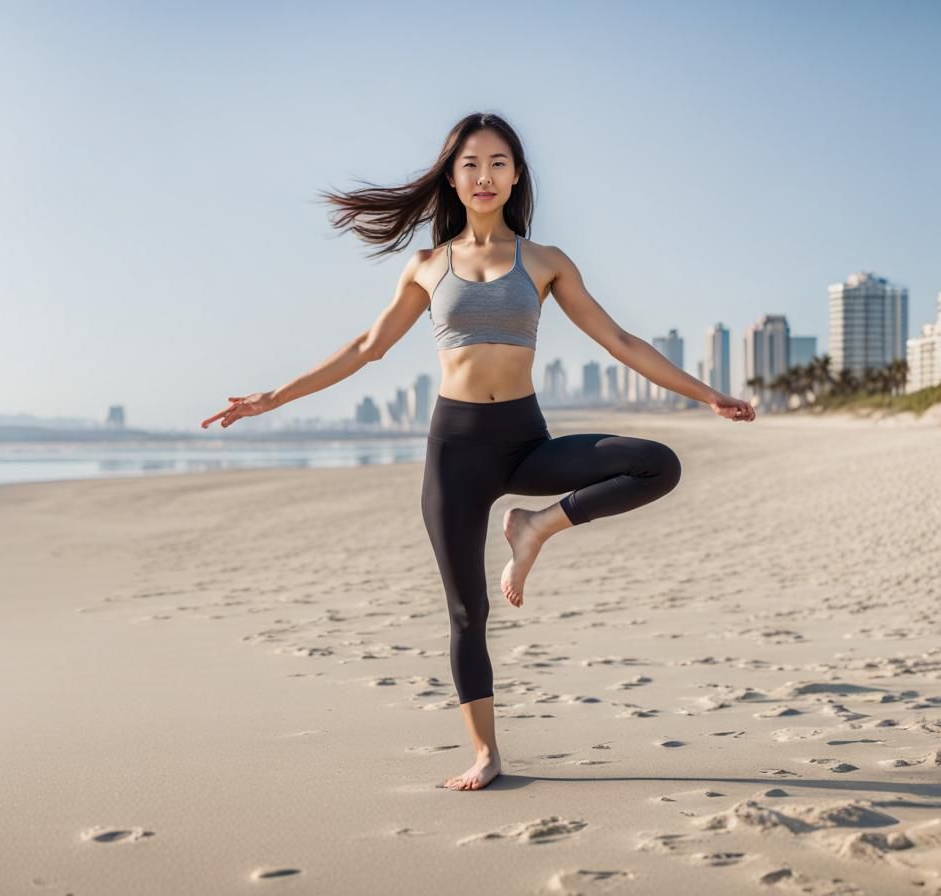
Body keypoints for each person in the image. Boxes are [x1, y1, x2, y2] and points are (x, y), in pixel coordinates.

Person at [200, 112, 755, 793]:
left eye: (498, 163)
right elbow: (366, 348)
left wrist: (705, 395)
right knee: (468, 613)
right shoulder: (428, 266)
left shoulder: (547, 262)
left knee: (656, 463)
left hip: (526, 443)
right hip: (455, 454)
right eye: (470, 163)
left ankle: (539, 524)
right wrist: (274, 396)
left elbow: (621, 343)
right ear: (452, 176)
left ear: (516, 174)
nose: (484, 175)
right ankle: (485, 753)